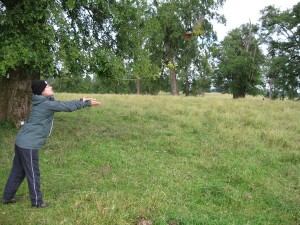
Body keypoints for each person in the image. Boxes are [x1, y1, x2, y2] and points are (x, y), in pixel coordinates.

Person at [2, 80, 101, 208]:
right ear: (42, 91)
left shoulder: (43, 101)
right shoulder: (46, 104)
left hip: (22, 141)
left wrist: (80, 101)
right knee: (33, 173)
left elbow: (60, 104)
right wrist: (86, 103)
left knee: (18, 171)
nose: (51, 87)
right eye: (48, 86)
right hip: (28, 145)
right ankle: (37, 202)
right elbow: (65, 106)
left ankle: (7, 197)